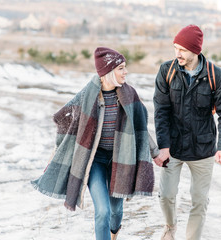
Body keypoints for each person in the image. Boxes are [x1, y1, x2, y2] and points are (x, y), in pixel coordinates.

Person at [31, 47, 158, 240]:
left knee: (116, 212)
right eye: (121, 68)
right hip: (95, 161)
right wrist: (58, 151)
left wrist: (155, 153)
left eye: (125, 68)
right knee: (103, 211)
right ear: (108, 72)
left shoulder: (129, 94)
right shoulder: (87, 95)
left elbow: (140, 128)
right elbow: (65, 119)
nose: (126, 72)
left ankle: (114, 233)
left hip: (119, 160)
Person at [153, 25, 221, 240]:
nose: (177, 53)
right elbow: (161, 111)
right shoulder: (167, 71)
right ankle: (170, 227)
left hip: (203, 149)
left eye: (182, 49)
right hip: (173, 148)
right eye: (175, 48)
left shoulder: (215, 75)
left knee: (199, 201)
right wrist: (163, 146)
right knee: (166, 196)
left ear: (195, 51)